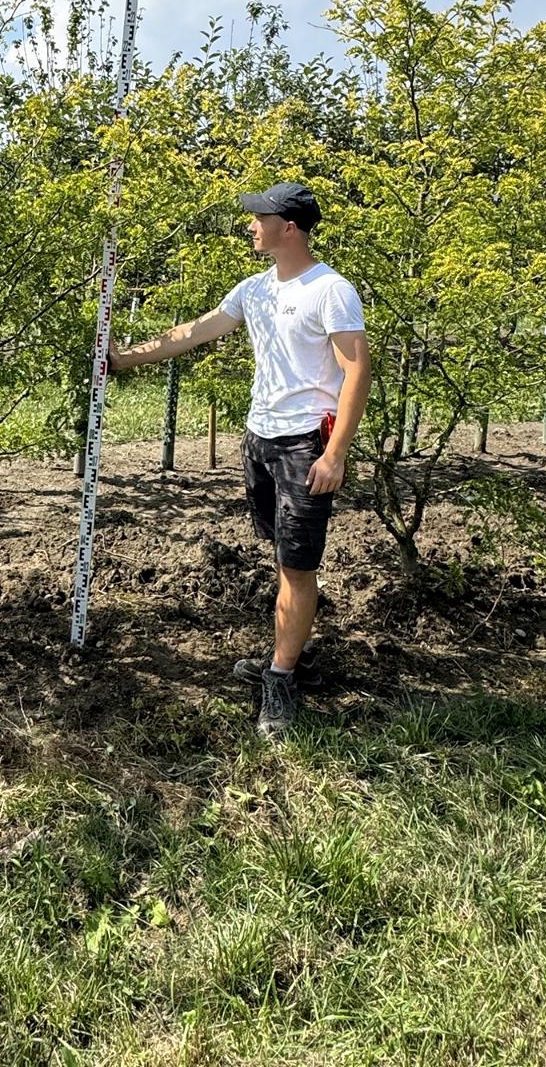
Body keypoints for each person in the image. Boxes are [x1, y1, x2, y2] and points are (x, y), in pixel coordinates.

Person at [108, 181, 370, 737]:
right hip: (260, 440)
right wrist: (122, 359)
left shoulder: (331, 290)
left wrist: (335, 454)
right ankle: (288, 654)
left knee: (299, 566)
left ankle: (280, 680)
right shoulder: (254, 289)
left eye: (259, 217)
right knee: (282, 555)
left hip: (306, 446)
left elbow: (356, 373)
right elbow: (196, 332)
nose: (250, 224)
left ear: (289, 227)